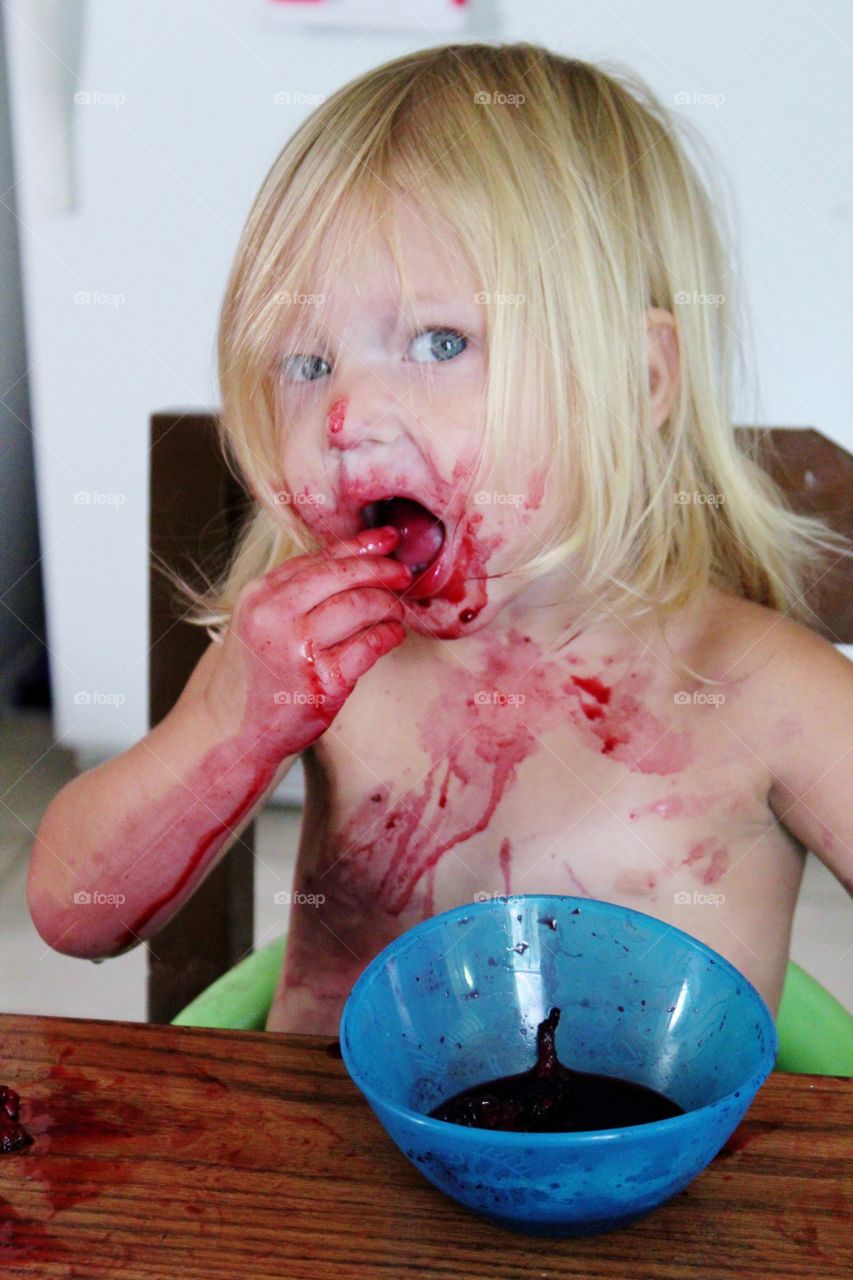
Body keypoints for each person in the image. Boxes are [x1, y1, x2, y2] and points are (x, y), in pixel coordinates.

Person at [28, 43, 853, 1035]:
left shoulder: (764, 694)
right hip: (324, 1132)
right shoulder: (319, 669)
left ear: (638, 381)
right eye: (306, 362)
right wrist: (228, 723)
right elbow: (75, 915)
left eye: (441, 343)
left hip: (668, 1139)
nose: (348, 416)